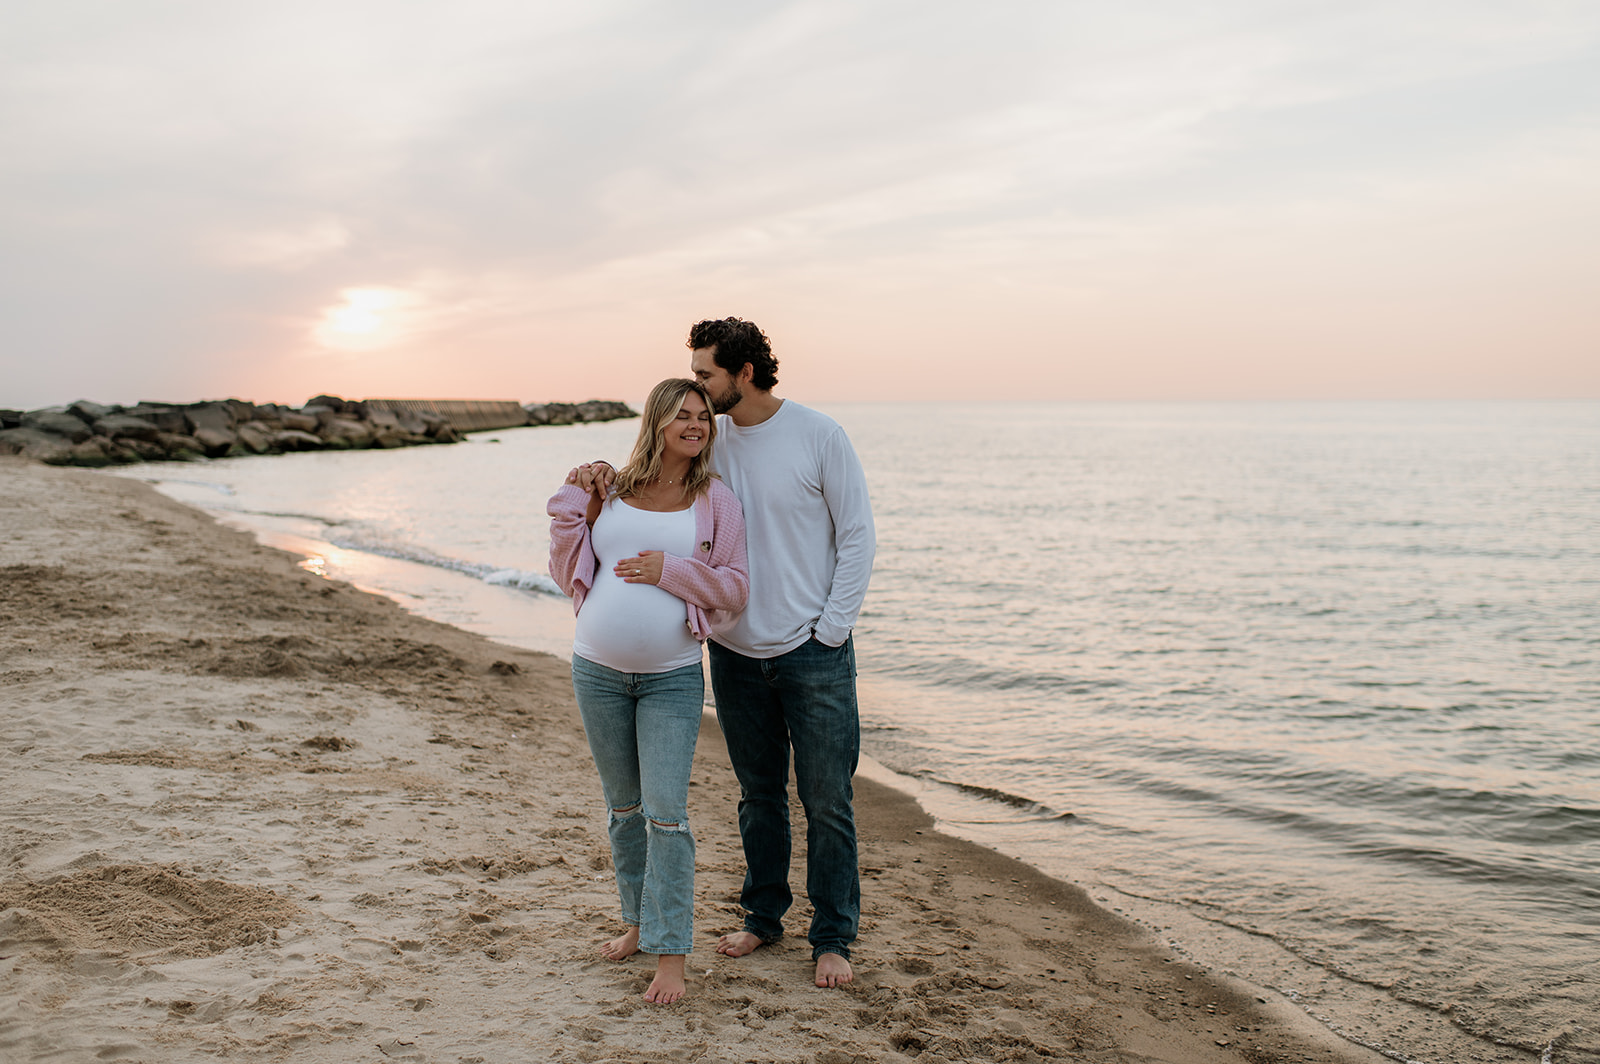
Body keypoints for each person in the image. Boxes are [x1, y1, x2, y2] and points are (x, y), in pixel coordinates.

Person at [547, 378, 748, 1005]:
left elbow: (736, 589)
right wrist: (571, 497)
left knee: (668, 816)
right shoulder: (612, 488)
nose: (696, 425)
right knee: (624, 811)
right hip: (596, 670)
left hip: (672, 678)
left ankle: (671, 955)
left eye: (703, 418)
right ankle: (636, 921)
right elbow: (564, 571)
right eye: (683, 415)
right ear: (656, 420)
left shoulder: (715, 499)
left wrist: (673, 571)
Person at [691, 317, 876, 987]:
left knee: (827, 800)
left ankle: (832, 938)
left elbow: (857, 536)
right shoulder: (708, 443)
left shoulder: (819, 434)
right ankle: (763, 917)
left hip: (813, 652)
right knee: (758, 795)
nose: (698, 385)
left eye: (706, 372)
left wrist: (831, 629)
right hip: (735, 653)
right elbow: (657, 497)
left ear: (743, 372)